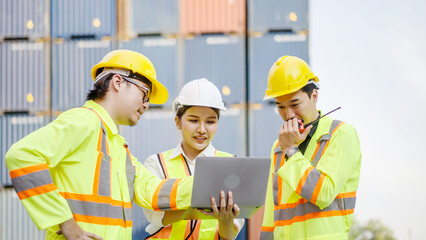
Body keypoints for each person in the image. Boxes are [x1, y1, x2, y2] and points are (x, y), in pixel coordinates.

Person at [5, 50, 194, 240]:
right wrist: (66, 222)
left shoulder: (119, 149)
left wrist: (210, 188)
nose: (146, 105)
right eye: (145, 94)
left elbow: (154, 192)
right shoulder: (84, 121)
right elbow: (21, 156)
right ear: (118, 82)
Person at [259, 56, 361, 239]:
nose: (288, 114)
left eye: (295, 104)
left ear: (314, 96)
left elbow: (323, 193)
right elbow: (271, 212)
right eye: (280, 107)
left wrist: (291, 150)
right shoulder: (278, 146)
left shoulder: (341, 134)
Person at [142, 78, 245, 240]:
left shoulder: (231, 164)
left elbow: (231, 234)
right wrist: (204, 208)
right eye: (193, 120)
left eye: (210, 121)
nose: (202, 129)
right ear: (178, 121)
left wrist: (225, 219)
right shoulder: (156, 163)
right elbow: (155, 216)